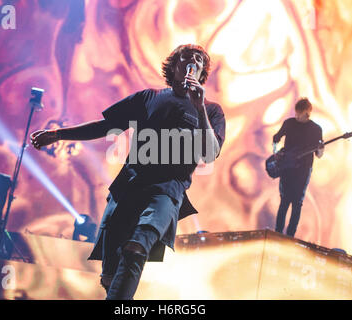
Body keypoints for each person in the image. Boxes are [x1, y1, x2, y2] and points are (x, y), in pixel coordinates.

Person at [30, 44, 226, 300]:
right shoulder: (149, 98)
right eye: (186, 56)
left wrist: (198, 107)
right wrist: (58, 134)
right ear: (174, 65)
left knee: (136, 248)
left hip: (166, 192)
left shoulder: (211, 111)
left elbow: (210, 153)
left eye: (199, 59)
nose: (193, 60)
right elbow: (106, 126)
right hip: (129, 187)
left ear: (201, 73)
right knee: (110, 275)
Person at [272, 98, 323, 237]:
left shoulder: (316, 129)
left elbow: (319, 154)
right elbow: (275, 138)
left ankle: (290, 237)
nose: (296, 116)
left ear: (307, 113)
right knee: (284, 202)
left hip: (304, 171)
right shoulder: (289, 123)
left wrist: (320, 149)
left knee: (297, 203)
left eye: (299, 114)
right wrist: (276, 153)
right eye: (296, 113)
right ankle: (277, 234)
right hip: (287, 168)